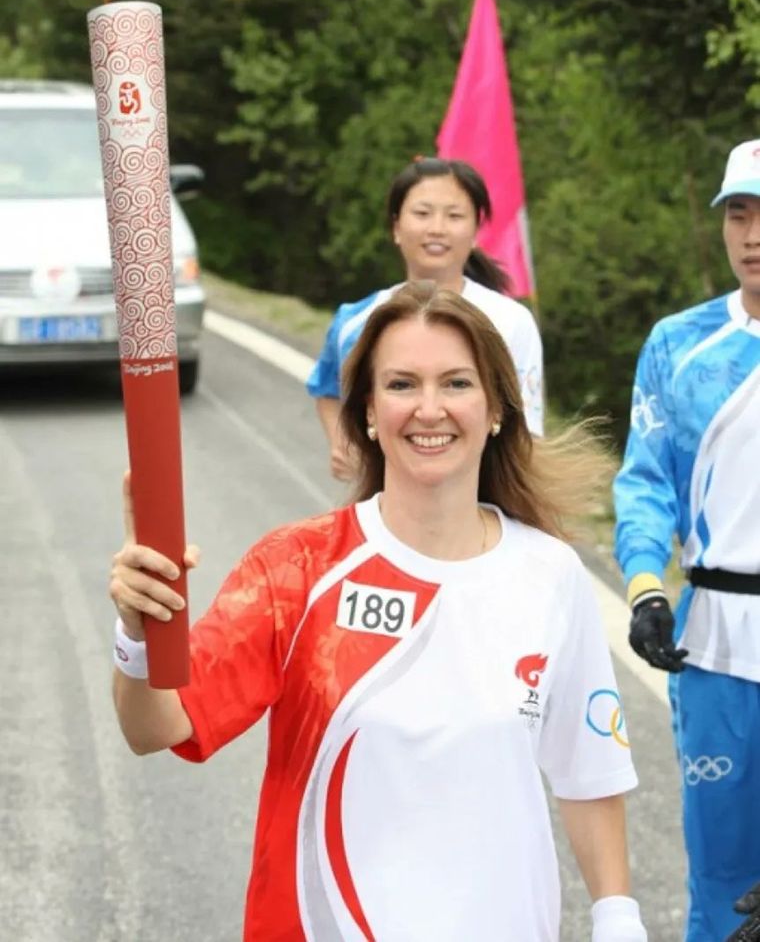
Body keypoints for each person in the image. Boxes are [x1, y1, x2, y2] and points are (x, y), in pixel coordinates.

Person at [111, 282, 646, 941]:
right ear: (367, 411)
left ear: (497, 409)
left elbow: (590, 772)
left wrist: (618, 918)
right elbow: (155, 725)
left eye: (456, 383)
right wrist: (139, 634)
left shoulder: (551, 575)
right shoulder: (298, 568)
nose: (429, 408)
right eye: (401, 384)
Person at [613, 138, 760, 941]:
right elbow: (645, 482)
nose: (753, 234)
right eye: (739, 213)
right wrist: (645, 589)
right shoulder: (678, 343)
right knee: (722, 876)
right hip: (716, 642)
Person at [307, 156, 543, 479]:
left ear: (476, 231)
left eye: (454, 216)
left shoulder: (510, 321)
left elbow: (527, 433)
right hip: (380, 499)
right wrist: (343, 443)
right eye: (422, 213)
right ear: (396, 227)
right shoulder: (356, 320)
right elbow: (327, 389)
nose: (437, 229)